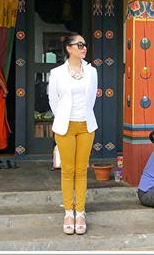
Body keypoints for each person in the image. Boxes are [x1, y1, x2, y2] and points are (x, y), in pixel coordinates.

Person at [48, 33, 98, 235]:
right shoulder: (57, 72)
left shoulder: (92, 71)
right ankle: (69, 212)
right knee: (68, 170)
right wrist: (63, 118)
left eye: (84, 45)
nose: (84, 48)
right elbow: (53, 100)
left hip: (86, 125)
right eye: (79, 44)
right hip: (65, 127)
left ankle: (81, 212)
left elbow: (92, 98)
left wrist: (81, 116)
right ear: (69, 48)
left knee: (82, 170)